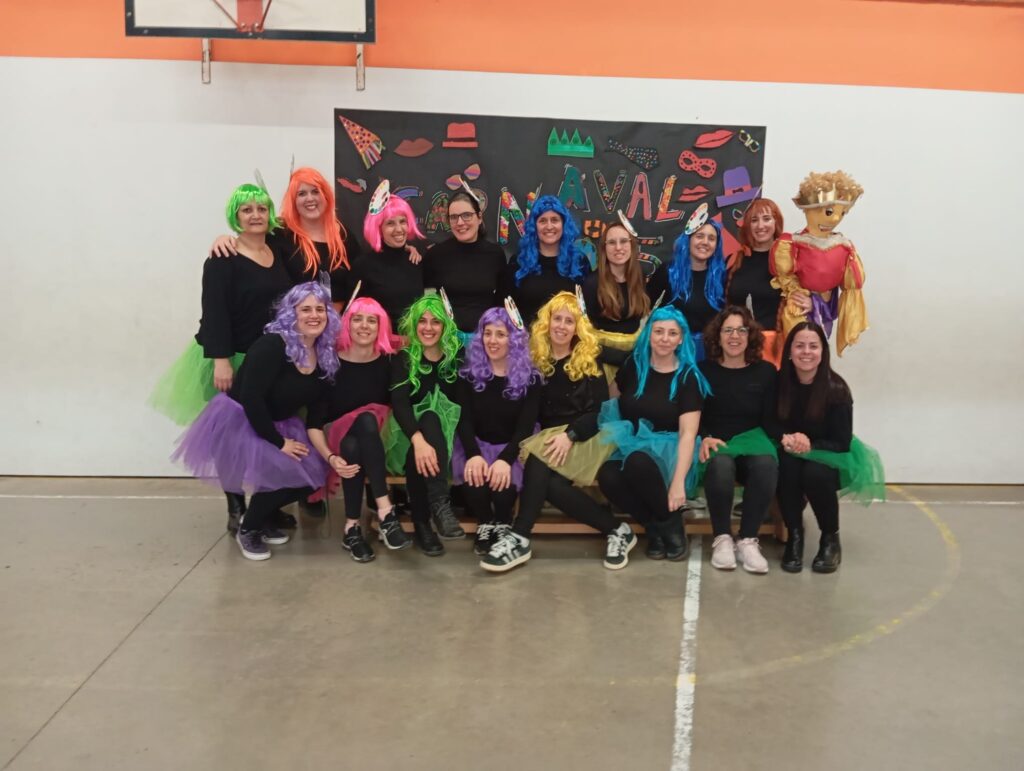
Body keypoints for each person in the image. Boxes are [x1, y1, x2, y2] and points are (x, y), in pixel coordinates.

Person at [150, 183, 292, 532]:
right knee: (232, 436)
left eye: (261, 208)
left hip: (269, 358)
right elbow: (214, 313)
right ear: (235, 216)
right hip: (234, 357)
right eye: (247, 210)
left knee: (267, 430)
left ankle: (265, 505)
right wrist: (221, 360)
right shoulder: (222, 259)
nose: (256, 215)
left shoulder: (277, 249)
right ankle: (236, 507)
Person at [172, 282, 341, 561]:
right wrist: (279, 442)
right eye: (305, 309)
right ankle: (248, 528)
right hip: (242, 420)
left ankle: (260, 516)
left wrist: (328, 455)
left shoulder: (324, 356)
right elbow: (251, 398)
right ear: (292, 313)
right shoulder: (272, 345)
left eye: (320, 309)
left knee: (312, 476)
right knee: (284, 469)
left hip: (281, 422)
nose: (314, 315)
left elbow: (316, 414)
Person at [481, 292, 634, 573]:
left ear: (577, 327)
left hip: (588, 435)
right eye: (557, 319)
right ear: (547, 322)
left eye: (569, 321)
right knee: (549, 486)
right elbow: (530, 413)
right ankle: (617, 529)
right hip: (551, 436)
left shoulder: (589, 356)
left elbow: (599, 411)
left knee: (538, 458)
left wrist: (571, 435)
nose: (562, 326)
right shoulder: (537, 358)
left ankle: (520, 536)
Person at [597, 306, 707, 562]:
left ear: (681, 339)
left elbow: (688, 434)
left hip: (672, 450)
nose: (664, 338)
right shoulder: (633, 366)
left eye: (672, 333)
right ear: (649, 335)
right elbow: (613, 399)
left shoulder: (688, 377)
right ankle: (655, 527)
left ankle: (672, 524)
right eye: (658, 331)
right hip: (634, 443)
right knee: (608, 476)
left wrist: (678, 483)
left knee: (637, 461)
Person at [776, 322, 885, 573]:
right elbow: (769, 422)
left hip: (829, 453)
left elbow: (841, 442)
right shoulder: (779, 383)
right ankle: (794, 536)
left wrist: (809, 444)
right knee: (786, 466)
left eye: (813, 346)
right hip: (790, 450)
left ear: (822, 352)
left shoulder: (837, 390)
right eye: (800, 345)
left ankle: (830, 538)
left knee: (815, 472)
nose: (806, 352)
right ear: (789, 350)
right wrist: (786, 438)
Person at [305, 297, 409, 562]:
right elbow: (313, 425)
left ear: (380, 327)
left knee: (362, 430)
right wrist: (330, 457)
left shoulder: (389, 362)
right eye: (357, 319)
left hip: (378, 440)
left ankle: (351, 528)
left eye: (372, 320)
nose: (364, 326)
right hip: (334, 439)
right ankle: (386, 511)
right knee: (361, 425)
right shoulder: (330, 364)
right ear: (347, 325)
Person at [697, 306, 780, 573]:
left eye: (742, 330)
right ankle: (722, 538)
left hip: (753, 444)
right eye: (728, 330)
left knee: (766, 464)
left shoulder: (766, 372)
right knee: (720, 465)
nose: (735, 336)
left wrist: (787, 437)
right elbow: (693, 414)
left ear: (750, 335)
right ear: (717, 336)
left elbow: (771, 420)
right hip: (716, 445)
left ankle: (748, 540)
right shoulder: (702, 371)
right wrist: (704, 437)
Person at [453, 305, 542, 556]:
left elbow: (525, 426)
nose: (492, 340)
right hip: (477, 443)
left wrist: (505, 459)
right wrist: (473, 455)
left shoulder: (531, 378)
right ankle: (486, 522)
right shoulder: (468, 375)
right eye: (487, 333)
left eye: (500, 334)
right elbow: (464, 420)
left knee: (503, 487)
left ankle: (503, 522)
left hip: (513, 447)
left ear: (513, 339)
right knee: (475, 480)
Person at [209, 168, 360, 307]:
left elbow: (360, 280)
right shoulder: (280, 234)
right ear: (293, 201)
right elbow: (251, 242)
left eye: (315, 192)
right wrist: (224, 239)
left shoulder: (344, 237)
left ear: (326, 195)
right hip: (292, 324)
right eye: (301, 194)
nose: (310, 198)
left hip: (339, 324)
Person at [384, 295, 464, 555]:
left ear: (445, 326)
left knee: (432, 422)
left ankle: (422, 524)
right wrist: (418, 441)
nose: (428, 327)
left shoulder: (455, 359)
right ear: (414, 324)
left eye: (435, 322)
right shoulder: (404, 358)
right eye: (422, 321)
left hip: (445, 442)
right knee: (428, 420)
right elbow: (399, 404)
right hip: (406, 438)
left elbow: (462, 406)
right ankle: (439, 505)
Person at [770, 170, 868, 356]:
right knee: (797, 355)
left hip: (824, 314)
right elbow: (787, 280)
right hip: (796, 313)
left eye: (842, 213)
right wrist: (801, 298)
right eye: (829, 212)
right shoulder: (790, 245)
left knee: (815, 356)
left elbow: (848, 289)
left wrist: (816, 304)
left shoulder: (844, 248)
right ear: (809, 209)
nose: (835, 219)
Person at [423, 190, 507, 338]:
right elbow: (426, 300)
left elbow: (501, 303)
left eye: (467, 215)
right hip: (446, 341)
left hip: (485, 341)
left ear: (479, 217)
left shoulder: (495, 255)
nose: (460, 222)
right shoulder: (435, 255)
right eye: (454, 217)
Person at [581, 216, 652, 380]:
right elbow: (583, 333)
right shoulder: (592, 283)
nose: (618, 247)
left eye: (623, 241)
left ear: (631, 245)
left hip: (633, 360)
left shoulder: (639, 276)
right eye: (612, 242)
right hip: (601, 363)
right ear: (604, 248)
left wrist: (634, 357)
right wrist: (620, 358)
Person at [504, 195, 590, 326]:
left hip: (568, 338)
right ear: (534, 226)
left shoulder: (579, 262)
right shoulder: (519, 262)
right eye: (543, 221)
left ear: (564, 224)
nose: (549, 226)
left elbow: (588, 310)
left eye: (554, 220)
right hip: (527, 338)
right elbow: (505, 310)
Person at [649, 216, 726, 360]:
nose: (705, 242)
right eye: (699, 236)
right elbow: (644, 306)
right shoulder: (668, 271)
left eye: (711, 238)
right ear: (688, 240)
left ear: (717, 245)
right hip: (671, 352)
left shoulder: (722, 276)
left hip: (710, 354)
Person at [351, 185, 427, 328]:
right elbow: (353, 314)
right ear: (378, 228)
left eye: (403, 221)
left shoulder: (416, 260)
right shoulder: (363, 265)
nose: (399, 229)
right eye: (390, 223)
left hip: (413, 339)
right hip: (379, 340)